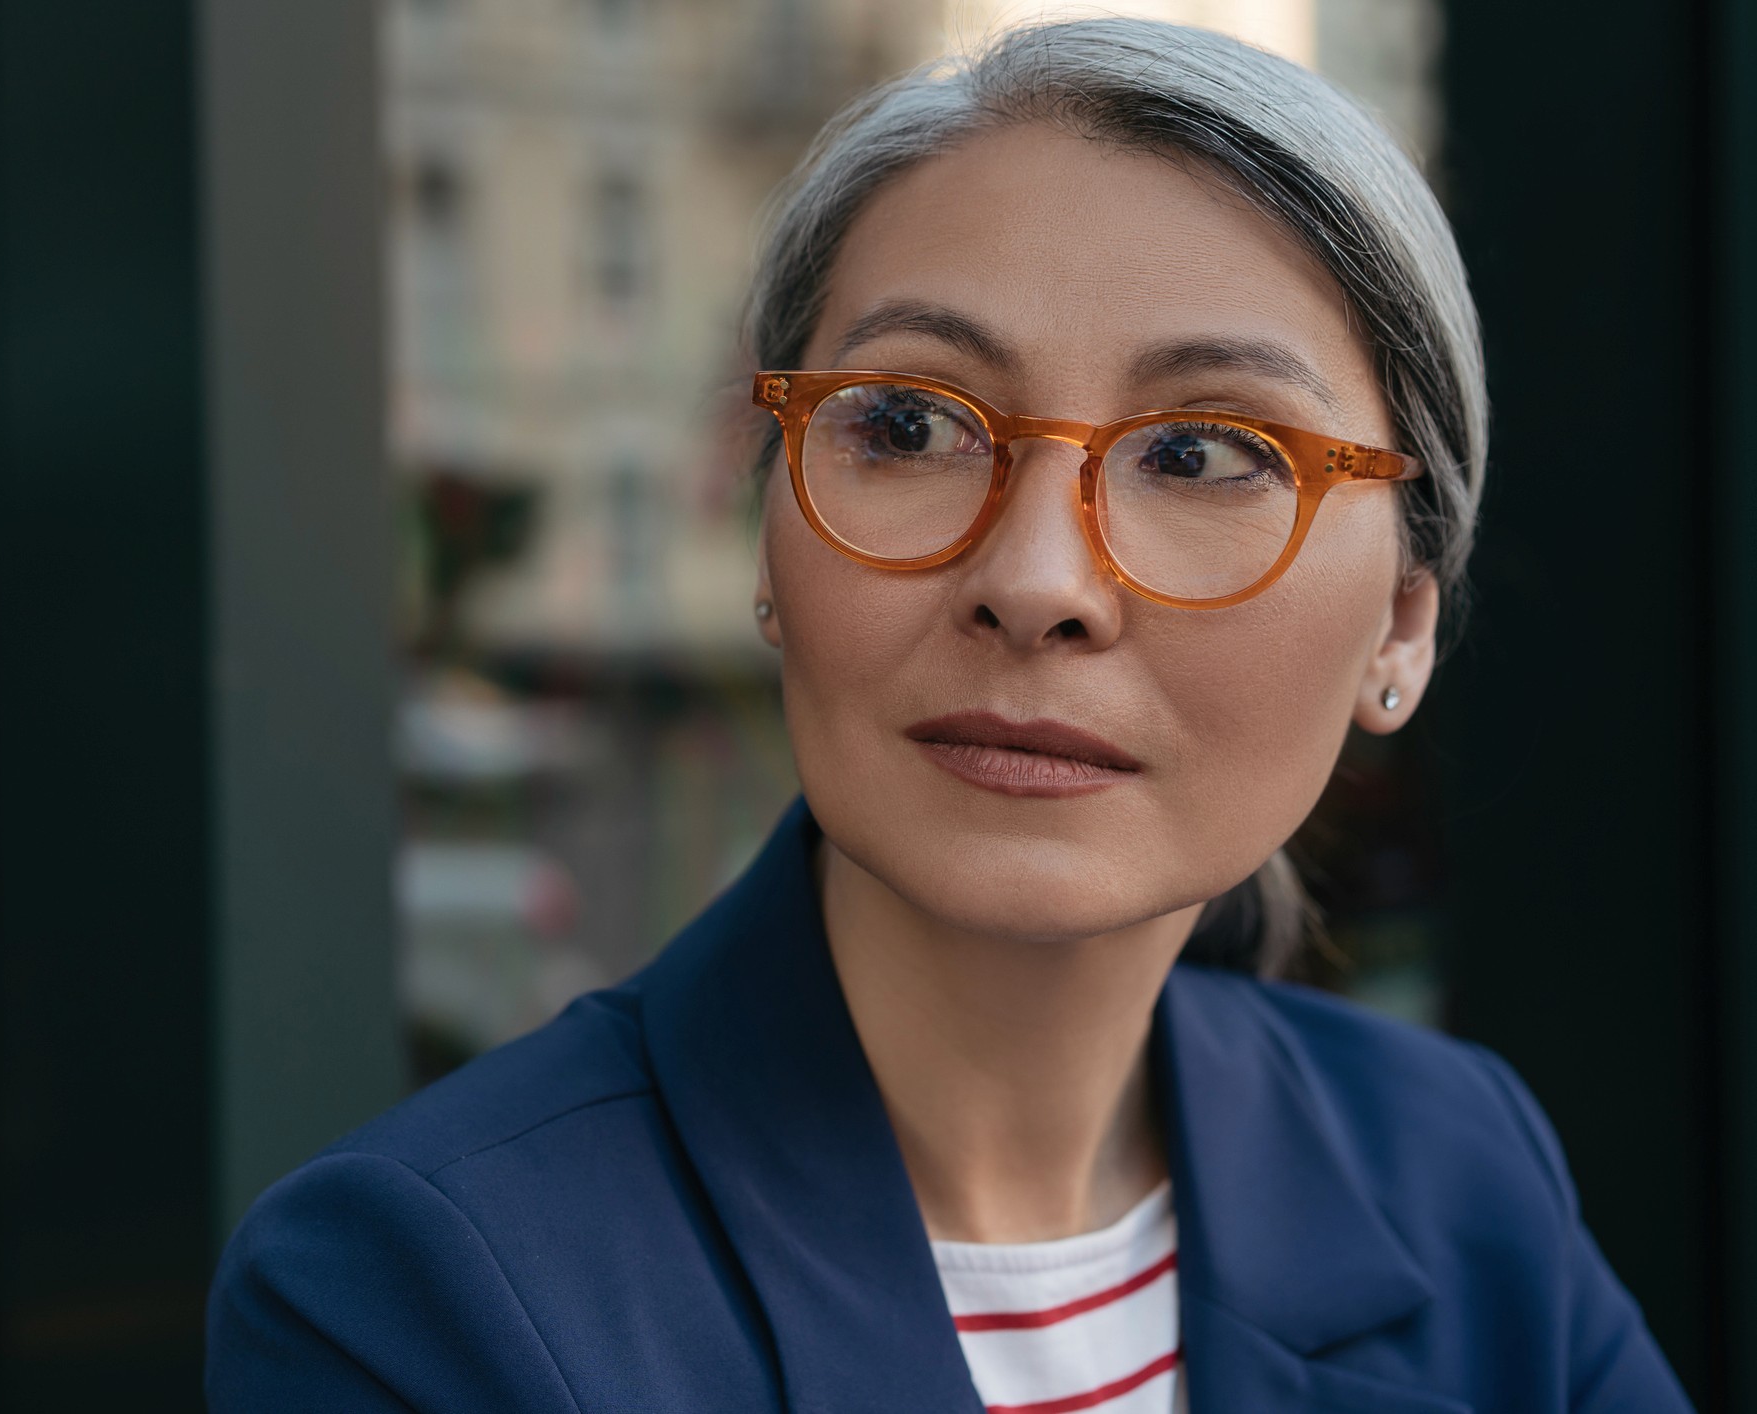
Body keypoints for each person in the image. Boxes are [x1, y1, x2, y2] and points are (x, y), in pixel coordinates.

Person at [206, 18, 1692, 1412]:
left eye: (1202, 451)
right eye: (906, 425)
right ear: (769, 530)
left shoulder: (1451, 1163)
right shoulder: (420, 1286)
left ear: (1399, 625)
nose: (1036, 581)